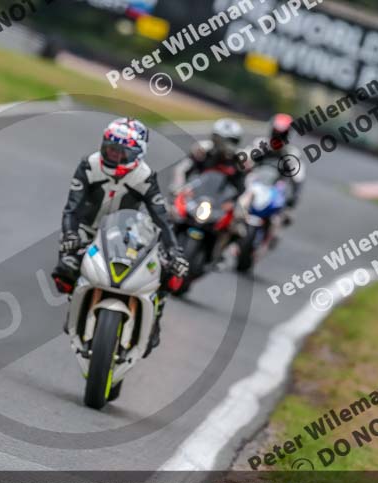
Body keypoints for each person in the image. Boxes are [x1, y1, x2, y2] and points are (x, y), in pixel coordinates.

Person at [51, 118, 189, 354]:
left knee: (167, 272)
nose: (113, 155)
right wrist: (70, 235)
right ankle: (76, 305)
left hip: (123, 234)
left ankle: (154, 320)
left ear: (137, 153)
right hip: (87, 230)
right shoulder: (89, 165)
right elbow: (71, 208)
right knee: (65, 270)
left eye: (120, 152)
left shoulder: (145, 177)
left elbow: (161, 219)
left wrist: (175, 253)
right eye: (110, 149)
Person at [245, 113, 305, 213]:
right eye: (276, 133)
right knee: (237, 203)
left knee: (281, 211)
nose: (278, 137)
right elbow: (245, 158)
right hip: (255, 183)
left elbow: (298, 178)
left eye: (281, 134)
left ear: (287, 134)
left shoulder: (291, 153)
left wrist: (294, 197)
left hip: (275, 188)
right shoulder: (260, 144)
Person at [171, 118, 247, 195]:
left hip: (221, 199)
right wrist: (178, 186)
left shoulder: (238, 159)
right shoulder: (202, 151)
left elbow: (242, 184)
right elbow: (181, 169)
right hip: (195, 194)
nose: (230, 144)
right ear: (215, 138)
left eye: (233, 141)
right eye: (227, 140)